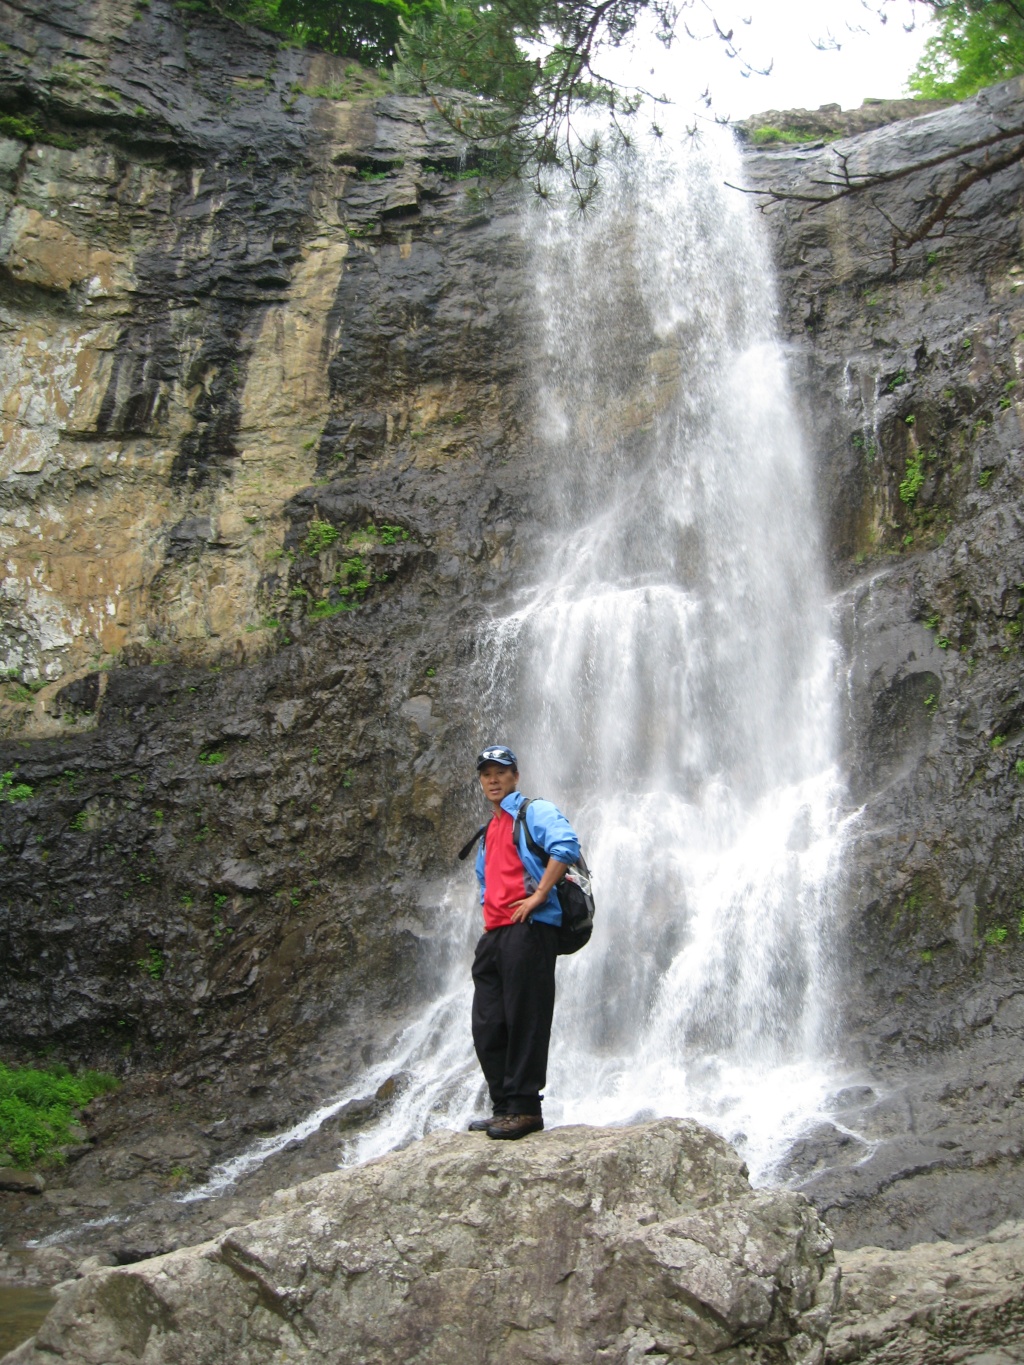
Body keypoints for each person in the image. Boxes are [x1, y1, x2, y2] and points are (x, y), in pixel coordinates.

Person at [468, 745, 580, 1140]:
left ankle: (525, 1108)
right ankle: (503, 1106)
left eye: (500, 772)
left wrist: (537, 897)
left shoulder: (533, 811)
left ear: (515, 776)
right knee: (488, 1023)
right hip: (496, 935)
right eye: (486, 774)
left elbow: (566, 846)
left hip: (529, 930)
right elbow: (485, 880)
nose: (493, 779)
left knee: (524, 1017)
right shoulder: (492, 827)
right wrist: (489, 917)